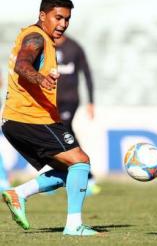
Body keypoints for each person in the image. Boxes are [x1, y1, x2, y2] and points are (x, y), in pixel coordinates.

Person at [1, 0, 99, 236]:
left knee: (72, 172)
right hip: (29, 119)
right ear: (42, 15)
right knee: (81, 161)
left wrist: (41, 77)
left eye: (67, 19)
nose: (63, 24)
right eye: (58, 17)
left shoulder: (36, 36)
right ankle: (74, 225)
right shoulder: (35, 37)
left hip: (19, 120)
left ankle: (18, 193)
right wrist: (39, 78)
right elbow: (22, 64)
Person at [54, 35, 100, 196]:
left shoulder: (74, 47)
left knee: (64, 131)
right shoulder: (45, 45)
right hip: (50, 101)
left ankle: (88, 175)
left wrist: (91, 102)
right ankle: (58, 176)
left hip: (69, 99)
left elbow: (87, 74)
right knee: (56, 136)